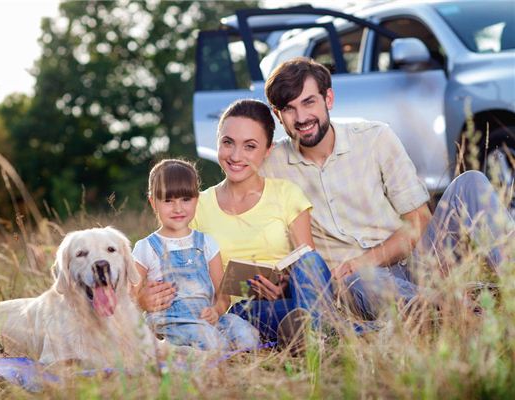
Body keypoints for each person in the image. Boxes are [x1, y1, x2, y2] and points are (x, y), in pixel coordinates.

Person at [260, 57, 513, 318]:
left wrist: (365, 261)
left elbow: (419, 222)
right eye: (289, 109)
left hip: (418, 262)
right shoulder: (270, 165)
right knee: (361, 281)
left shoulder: (375, 138)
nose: (302, 117)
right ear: (278, 116)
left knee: (470, 183)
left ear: (329, 99)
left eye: (309, 102)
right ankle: (452, 310)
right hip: (359, 287)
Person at [138, 101, 335, 347]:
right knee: (253, 313)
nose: (235, 156)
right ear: (218, 142)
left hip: (294, 298)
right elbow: (166, 264)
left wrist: (284, 287)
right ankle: (319, 331)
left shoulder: (287, 194)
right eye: (227, 142)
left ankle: (312, 332)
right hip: (242, 312)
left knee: (309, 263)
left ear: (267, 151)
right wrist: (142, 297)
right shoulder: (196, 206)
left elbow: (309, 268)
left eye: (250, 146)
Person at [132, 159, 259, 351]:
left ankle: (220, 353)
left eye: (185, 199)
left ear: (196, 200)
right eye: (168, 200)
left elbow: (222, 294)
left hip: (206, 319)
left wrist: (216, 311)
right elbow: (130, 295)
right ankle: (170, 348)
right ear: (153, 202)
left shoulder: (206, 243)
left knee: (248, 336)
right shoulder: (146, 247)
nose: (178, 208)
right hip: (170, 323)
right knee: (212, 342)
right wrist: (142, 299)